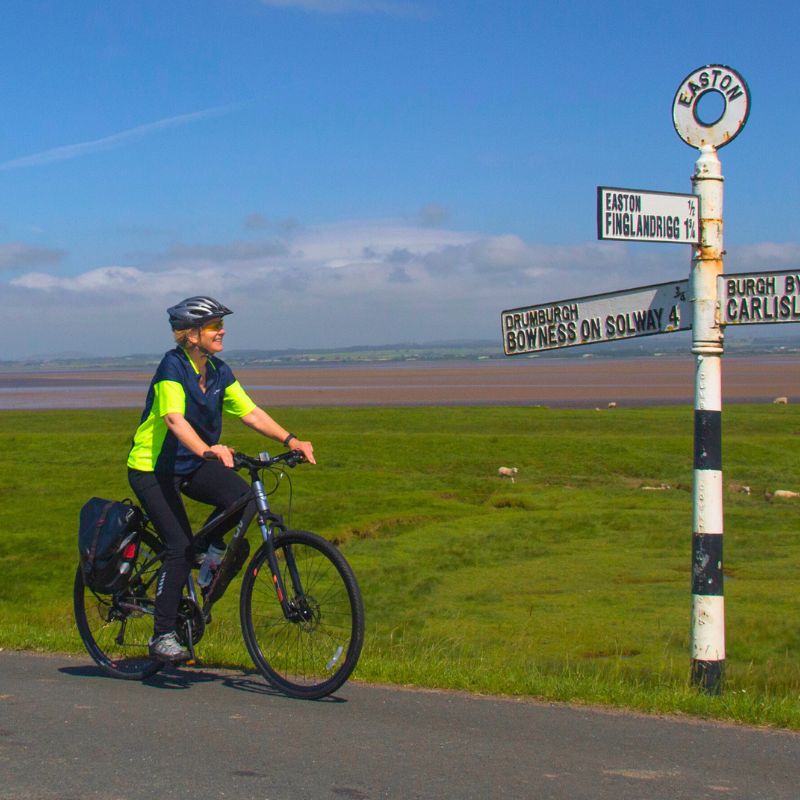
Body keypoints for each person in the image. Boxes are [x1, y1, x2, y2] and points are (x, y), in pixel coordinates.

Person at [127, 296, 315, 662]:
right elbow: (174, 420)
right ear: (192, 335)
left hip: (193, 463)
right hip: (153, 468)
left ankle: (209, 561)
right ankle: (162, 634)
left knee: (242, 499)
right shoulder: (172, 367)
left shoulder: (217, 371)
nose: (222, 330)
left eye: (220, 324)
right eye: (214, 325)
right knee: (179, 547)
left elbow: (251, 413)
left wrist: (291, 440)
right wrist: (208, 451)